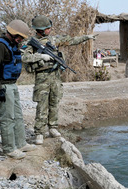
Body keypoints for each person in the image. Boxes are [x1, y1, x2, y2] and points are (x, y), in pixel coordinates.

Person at [22, 15, 96, 145]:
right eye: (48, 28)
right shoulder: (31, 43)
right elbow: (24, 57)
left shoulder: (54, 40)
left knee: (54, 103)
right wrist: (40, 56)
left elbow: (71, 40)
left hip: (55, 77)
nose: (50, 30)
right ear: (41, 30)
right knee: (42, 105)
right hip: (42, 78)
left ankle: (53, 128)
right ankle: (39, 133)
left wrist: (86, 37)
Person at [0, 20, 37, 159]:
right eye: (20, 37)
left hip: (12, 84)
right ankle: (9, 149)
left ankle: (21, 143)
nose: (20, 40)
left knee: (17, 115)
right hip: (2, 85)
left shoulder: (12, 45)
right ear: (13, 34)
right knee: (7, 117)